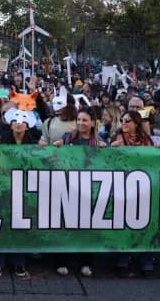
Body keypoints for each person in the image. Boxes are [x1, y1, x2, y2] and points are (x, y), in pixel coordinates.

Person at [51, 109, 103, 277]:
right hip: (68, 189)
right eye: (79, 120)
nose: (81, 123)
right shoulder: (68, 138)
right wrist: (57, 147)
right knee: (65, 226)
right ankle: (61, 261)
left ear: (93, 123)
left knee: (87, 228)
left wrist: (106, 150)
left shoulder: (98, 142)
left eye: (85, 120)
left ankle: (86, 263)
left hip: (89, 191)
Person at [0, 108, 37, 278]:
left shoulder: (34, 144)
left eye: (22, 121)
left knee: (20, 225)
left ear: (27, 125)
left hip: (24, 190)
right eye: (15, 121)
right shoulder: (1, 141)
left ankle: (19, 262)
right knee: (1, 223)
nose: (18, 124)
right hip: (3, 188)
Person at [110, 110, 155, 277]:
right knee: (124, 224)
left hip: (144, 189)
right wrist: (111, 149)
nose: (124, 123)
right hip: (123, 189)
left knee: (145, 224)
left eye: (128, 121)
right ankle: (122, 259)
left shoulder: (146, 140)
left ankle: (146, 259)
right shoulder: (117, 139)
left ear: (136, 123)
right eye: (122, 120)